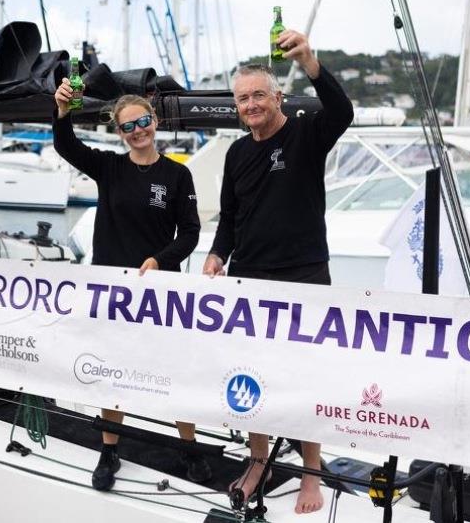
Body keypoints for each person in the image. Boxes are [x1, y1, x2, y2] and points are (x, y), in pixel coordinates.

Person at [202, 29, 353, 514]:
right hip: (250, 278)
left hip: (305, 276)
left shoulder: (307, 132)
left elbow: (344, 112)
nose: (251, 105)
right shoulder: (236, 152)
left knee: (305, 376)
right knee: (251, 372)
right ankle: (259, 460)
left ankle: (312, 474)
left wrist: (309, 58)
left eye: (259, 95)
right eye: (243, 98)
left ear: (278, 96)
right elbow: (230, 214)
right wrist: (216, 255)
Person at [53, 79, 211, 491]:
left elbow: (191, 233)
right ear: (119, 133)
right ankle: (109, 452)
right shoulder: (109, 167)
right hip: (114, 291)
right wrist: (63, 111)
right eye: (128, 127)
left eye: (143, 121)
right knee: (112, 372)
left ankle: (189, 447)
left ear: (154, 121)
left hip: (160, 292)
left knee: (173, 372)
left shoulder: (178, 175)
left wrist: (161, 260)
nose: (137, 130)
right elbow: (67, 147)